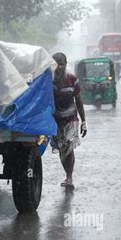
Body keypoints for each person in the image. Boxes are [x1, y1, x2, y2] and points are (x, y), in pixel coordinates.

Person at [51, 52, 87, 191]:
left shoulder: (73, 79)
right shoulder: (49, 81)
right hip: (56, 119)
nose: (59, 67)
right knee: (62, 148)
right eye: (56, 64)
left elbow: (79, 100)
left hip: (71, 118)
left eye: (61, 64)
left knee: (69, 145)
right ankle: (67, 176)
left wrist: (84, 121)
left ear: (66, 64)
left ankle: (70, 178)